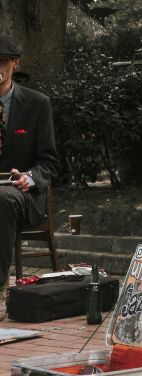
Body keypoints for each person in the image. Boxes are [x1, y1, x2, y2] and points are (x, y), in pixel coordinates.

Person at [0, 35, 59, 320]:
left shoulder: (36, 103)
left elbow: (49, 162)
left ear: (14, 64)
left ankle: (0, 287)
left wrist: (30, 178)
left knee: (3, 199)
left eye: (1, 61)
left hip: (21, 193)